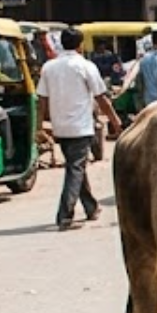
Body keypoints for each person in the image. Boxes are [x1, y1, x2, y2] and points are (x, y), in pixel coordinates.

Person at [36, 27, 119, 231]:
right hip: (80, 127)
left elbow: (42, 100)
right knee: (75, 168)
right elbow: (102, 97)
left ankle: (91, 207)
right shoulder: (85, 66)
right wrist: (115, 120)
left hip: (60, 127)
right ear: (81, 45)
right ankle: (65, 215)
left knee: (76, 166)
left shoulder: (49, 67)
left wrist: (39, 126)